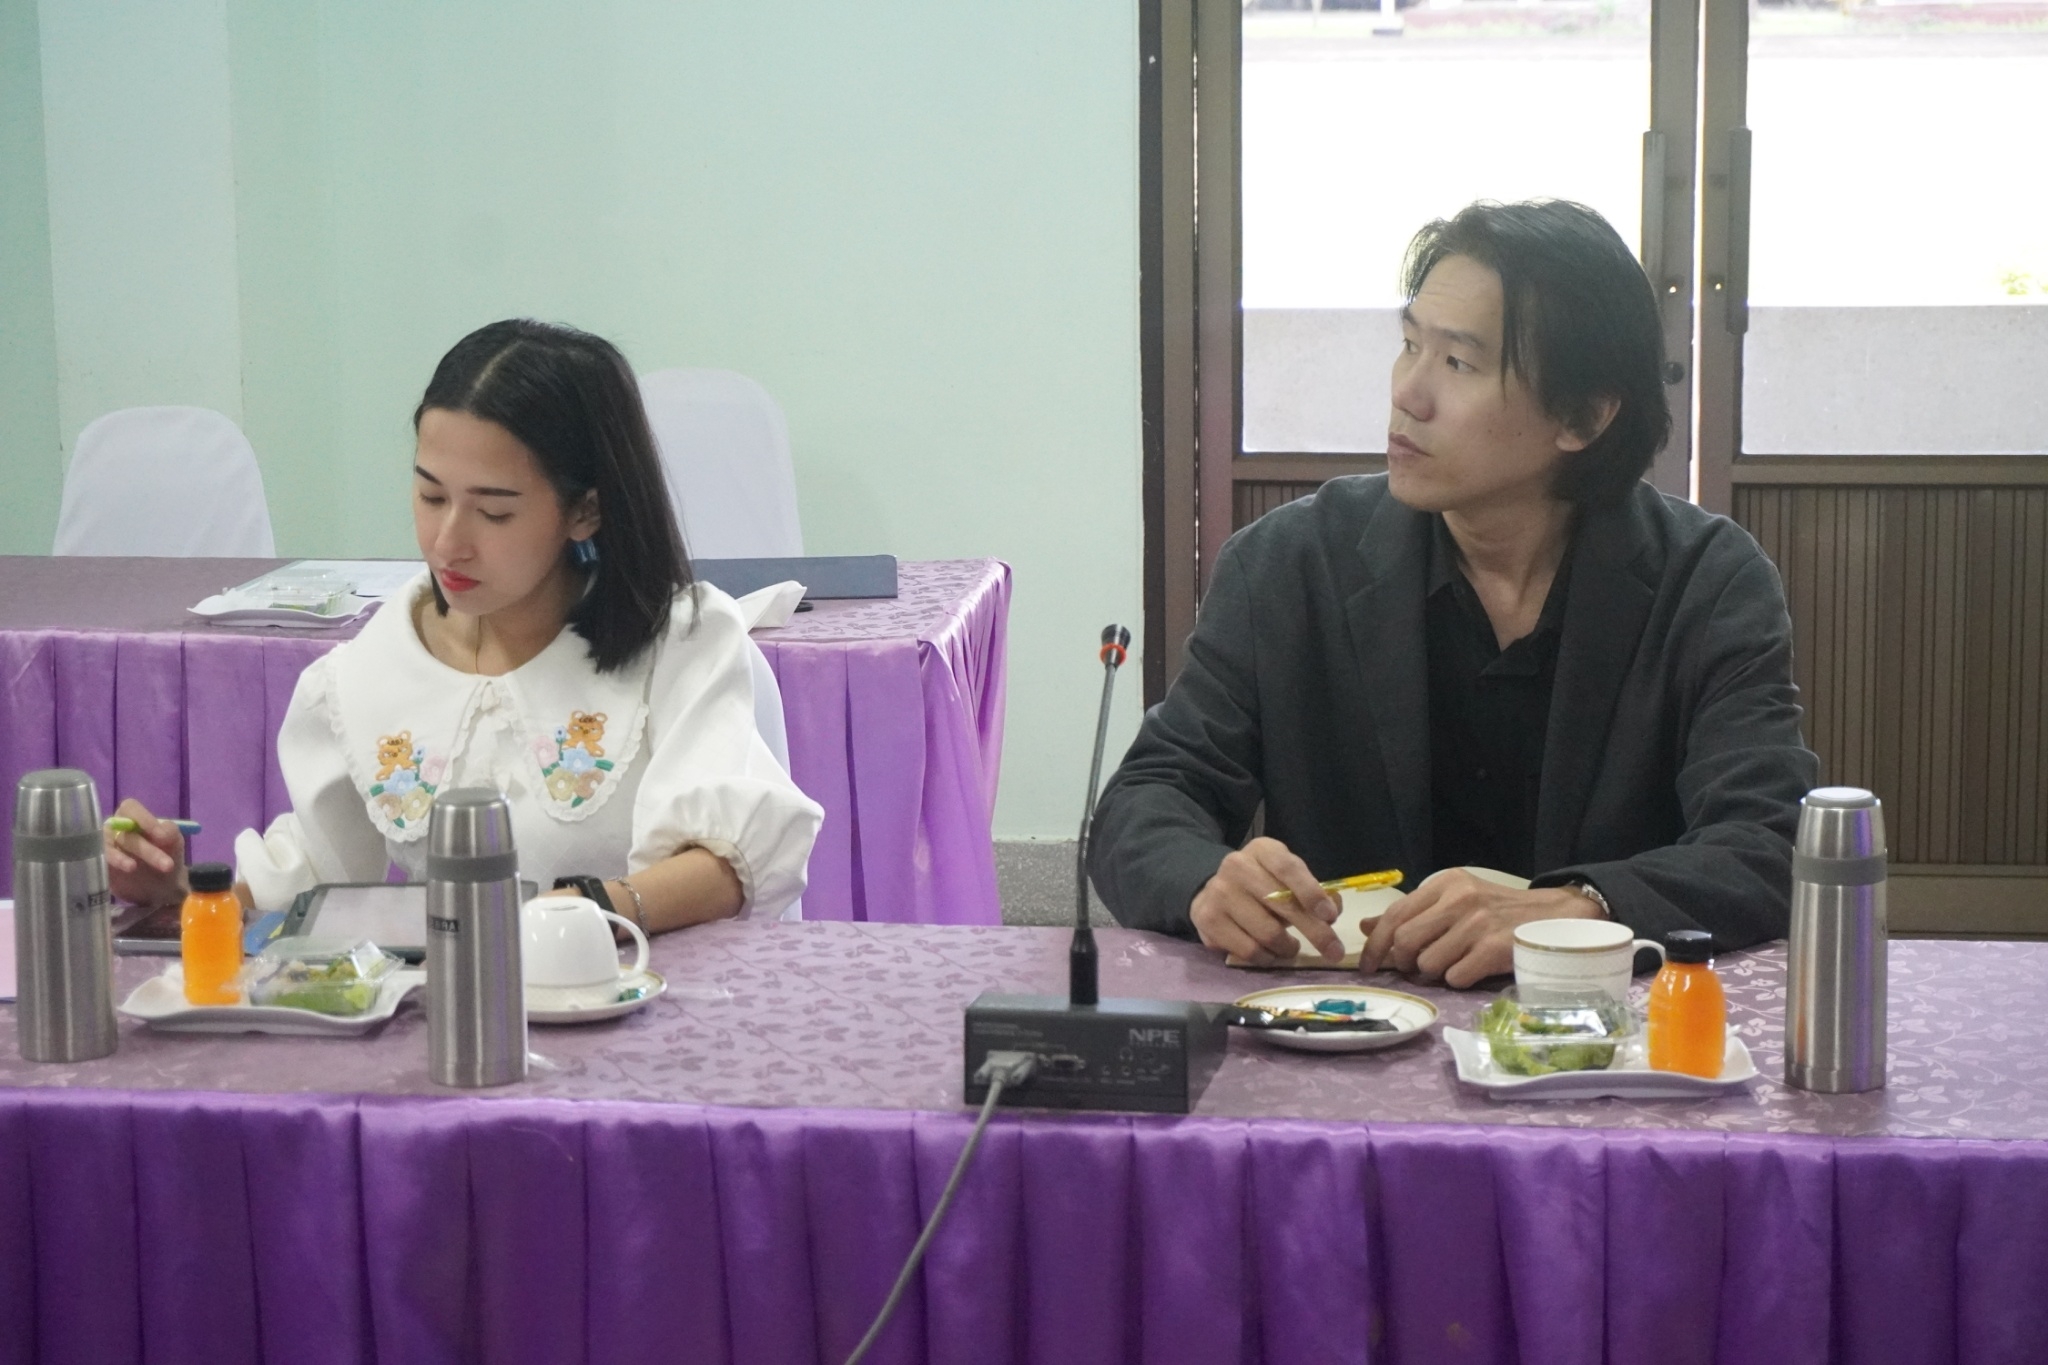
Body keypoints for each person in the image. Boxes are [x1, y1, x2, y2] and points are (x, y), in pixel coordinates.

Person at [1088, 199, 1818, 987]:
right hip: (1351, 1020)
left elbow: (1769, 841)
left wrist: (1575, 910)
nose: (1409, 392)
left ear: (1582, 416)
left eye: (1459, 363)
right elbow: (1148, 799)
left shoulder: (1706, 583)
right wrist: (1207, 879)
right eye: (1410, 345)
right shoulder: (1288, 565)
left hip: (1606, 1029)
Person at [105, 319, 824, 933]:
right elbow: (312, 882)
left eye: (494, 511)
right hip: (463, 1016)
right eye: (430, 496)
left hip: (642, 1011)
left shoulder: (678, 641)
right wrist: (179, 891)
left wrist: (584, 913)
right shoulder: (368, 672)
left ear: (585, 510)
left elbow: (726, 865)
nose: (448, 542)